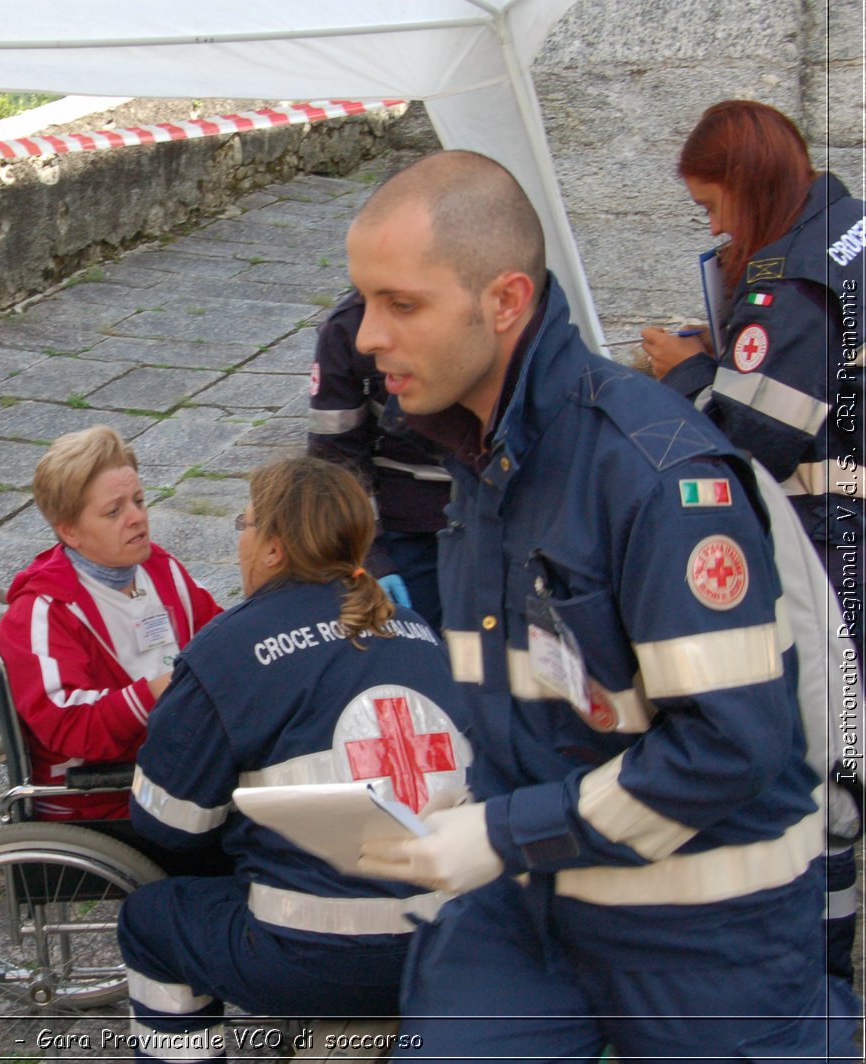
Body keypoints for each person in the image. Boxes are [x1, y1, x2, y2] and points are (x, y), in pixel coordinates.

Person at [343, 151, 850, 1060]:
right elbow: (526, 700)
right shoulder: (478, 462)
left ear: (503, 302)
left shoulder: (656, 478)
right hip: (530, 907)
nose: (365, 337)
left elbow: (729, 745)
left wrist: (499, 833)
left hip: (704, 936)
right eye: (366, 302)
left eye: (400, 304)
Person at [118, 455, 470, 1062]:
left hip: (312, 955)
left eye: (246, 524)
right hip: (449, 943)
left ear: (275, 547)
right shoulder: (418, 630)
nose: (242, 540)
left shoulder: (226, 648)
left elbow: (167, 824)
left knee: (152, 920)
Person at [640, 99, 863, 990]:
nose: (713, 225)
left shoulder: (792, 282)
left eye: (711, 206)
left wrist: (687, 372)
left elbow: (749, 439)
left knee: (831, 775)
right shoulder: (845, 225)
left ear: (750, 187)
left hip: (837, 553)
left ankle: (824, 985)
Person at [0, 425, 222, 820]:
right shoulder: (47, 610)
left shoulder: (161, 570)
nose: (137, 518)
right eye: (114, 511)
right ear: (70, 531)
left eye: (139, 500)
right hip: (104, 800)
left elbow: (220, 638)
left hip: (174, 770)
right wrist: (158, 692)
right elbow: (69, 725)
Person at [308, 291, 452, 627]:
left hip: (497, 520)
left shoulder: (490, 308)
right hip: (405, 530)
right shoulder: (346, 328)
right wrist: (369, 557)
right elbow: (334, 460)